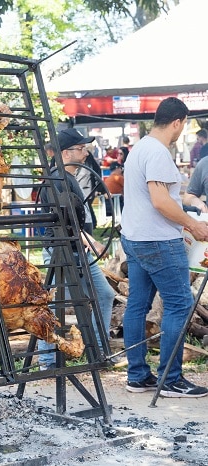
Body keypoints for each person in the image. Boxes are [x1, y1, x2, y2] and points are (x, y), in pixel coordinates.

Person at [121, 97, 208, 398]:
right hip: (157, 239)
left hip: (135, 237)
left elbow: (161, 196)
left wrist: (189, 204)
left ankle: (137, 376)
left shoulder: (140, 148)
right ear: (178, 122)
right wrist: (194, 225)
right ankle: (171, 380)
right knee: (180, 305)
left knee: (137, 305)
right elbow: (159, 202)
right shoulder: (158, 152)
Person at [37, 128, 116, 371]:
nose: (85, 153)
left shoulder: (68, 177)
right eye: (80, 149)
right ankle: (48, 360)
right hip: (61, 251)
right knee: (53, 304)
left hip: (78, 251)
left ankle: (97, 351)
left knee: (104, 294)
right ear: (65, 152)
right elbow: (65, 221)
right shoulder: (56, 180)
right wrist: (90, 241)